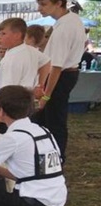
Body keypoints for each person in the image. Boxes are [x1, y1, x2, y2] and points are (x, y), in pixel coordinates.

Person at [34, 0, 87, 162]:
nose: (39, 8)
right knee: (48, 120)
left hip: (60, 76)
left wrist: (46, 95)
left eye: (43, 4)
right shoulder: (71, 20)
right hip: (64, 74)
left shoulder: (64, 27)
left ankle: (55, 160)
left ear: (58, 3)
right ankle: (48, 158)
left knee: (54, 122)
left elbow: (56, 67)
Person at [0, 18, 51, 133]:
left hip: (11, 112)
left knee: (12, 139)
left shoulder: (13, 59)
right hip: (25, 107)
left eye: (3, 34)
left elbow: (7, 92)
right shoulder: (29, 50)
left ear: (17, 35)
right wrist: (40, 85)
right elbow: (46, 62)